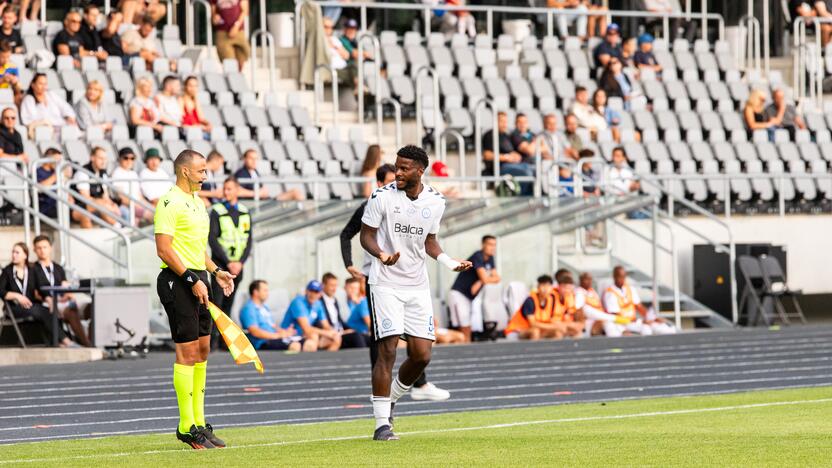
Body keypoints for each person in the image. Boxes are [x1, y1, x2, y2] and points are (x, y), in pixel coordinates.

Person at [360, 144, 472, 441]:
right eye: (396, 166)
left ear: (420, 171)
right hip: (384, 283)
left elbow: (430, 241)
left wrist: (449, 262)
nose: (397, 172)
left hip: (416, 286)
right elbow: (366, 236)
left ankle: (392, 398)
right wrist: (381, 255)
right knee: (387, 351)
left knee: (422, 355)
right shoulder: (381, 196)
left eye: (404, 168)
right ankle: (381, 424)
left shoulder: (436, 201)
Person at [339, 162, 452, 402]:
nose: (397, 182)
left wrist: (446, 259)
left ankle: (418, 383)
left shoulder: (416, 203)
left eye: (400, 177)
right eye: (392, 179)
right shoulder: (374, 202)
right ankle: (381, 390)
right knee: (384, 339)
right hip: (379, 278)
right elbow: (349, 233)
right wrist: (350, 264)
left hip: (410, 280)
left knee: (418, 342)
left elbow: (428, 239)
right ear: (380, 183)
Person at [154, 149, 236, 449]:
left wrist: (216, 271)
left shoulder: (198, 203)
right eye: (201, 171)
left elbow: (196, 247)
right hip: (178, 281)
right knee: (187, 353)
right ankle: (186, 425)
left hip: (199, 279)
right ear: (185, 171)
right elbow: (164, 250)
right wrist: (191, 280)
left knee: (203, 349)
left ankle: (200, 422)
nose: (206, 175)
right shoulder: (168, 202)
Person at [0, 242, 76, 347]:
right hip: (14, 308)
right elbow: (1, 291)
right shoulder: (7, 271)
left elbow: (41, 287)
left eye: (17, 252)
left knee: (50, 310)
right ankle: (66, 341)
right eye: (13, 252)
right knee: (41, 311)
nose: (14, 255)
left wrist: (49, 299)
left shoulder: (32, 270)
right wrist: (17, 296)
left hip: (31, 306)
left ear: (25, 255)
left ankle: (57, 341)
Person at [31, 234, 92, 347]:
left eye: (44, 247)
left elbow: (65, 286)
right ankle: (87, 344)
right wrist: (50, 299)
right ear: (34, 250)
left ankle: (92, 339)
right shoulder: (33, 269)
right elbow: (34, 292)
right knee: (71, 312)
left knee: (92, 308)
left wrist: (68, 294)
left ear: (50, 248)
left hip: (65, 300)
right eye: (39, 248)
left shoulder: (58, 268)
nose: (42, 251)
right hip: (49, 303)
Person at [207, 177, 250, 326]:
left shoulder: (244, 211)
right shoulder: (217, 211)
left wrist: (240, 263)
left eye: (229, 189)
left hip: (238, 266)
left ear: (237, 190)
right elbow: (212, 239)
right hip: (221, 265)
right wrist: (228, 263)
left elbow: (248, 240)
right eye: (224, 188)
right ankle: (213, 342)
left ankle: (226, 343)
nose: (226, 192)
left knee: (229, 304)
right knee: (217, 303)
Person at [448, 235, 500, 342]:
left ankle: (464, 351)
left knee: (467, 328)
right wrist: (484, 279)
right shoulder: (478, 256)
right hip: (459, 294)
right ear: (483, 245)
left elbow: (498, 278)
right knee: (464, 329)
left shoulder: (490, 258)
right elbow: (486, 278)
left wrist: (482, 279)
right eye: (490, 244)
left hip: (469, 297)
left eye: (494, 245)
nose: (492, 247)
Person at [602, 265, 676, 336]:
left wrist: (652, 318)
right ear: (614, 277)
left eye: (624, 277)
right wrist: (640, 321)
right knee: (646, 329)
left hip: (634, 321)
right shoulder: (610, 293)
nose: (622, 280)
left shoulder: (630, 289)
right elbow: (615, 316)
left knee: (659, 327)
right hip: (622, 323)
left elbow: (639, 307)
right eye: (620, 277)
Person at [238, 280, 301, 351]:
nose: (268, 293)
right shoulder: (249, 309)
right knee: (295, 345)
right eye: (265, 290)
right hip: (263, 342)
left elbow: (272, 326)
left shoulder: (264, 308)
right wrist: (278, 336)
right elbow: (255, 332)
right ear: (256, 292)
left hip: (274, 339)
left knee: (307, 341)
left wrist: (285, 332)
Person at [482, 111, 534, 195]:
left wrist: (515, 156)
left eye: (505, 121)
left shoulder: (506, 135)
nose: (504, 124)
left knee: (534, 169)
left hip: (515, 165)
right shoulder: (490, 135)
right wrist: (507, 157)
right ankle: (520, 197)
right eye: (501, 121)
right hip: (500, 168)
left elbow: (511, 151)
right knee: (526, 172)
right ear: (495, 122)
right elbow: (487, 155)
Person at [280, 280, 341, 352]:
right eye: (311, 291)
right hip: (290, 336)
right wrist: (327, 333)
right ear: (306, 291)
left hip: (304, 336)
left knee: (336, 338)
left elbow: (326, 325)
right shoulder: (298, 302)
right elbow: (306, 328)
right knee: (313, 338)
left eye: (316, 292)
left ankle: (326, 361)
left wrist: (333, 333)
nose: (313, 294)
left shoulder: (318, 304)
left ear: (320, 294)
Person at [71, 146, 122, 229]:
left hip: (99, 206)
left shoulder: (103, 173)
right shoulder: (83, 172)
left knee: (122, 210)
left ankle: (121, 231)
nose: (103, 161)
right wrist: (104, 204)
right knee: (101, 208)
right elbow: (85, 199)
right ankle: (118, 228)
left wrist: (112, 204)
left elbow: (105, 196)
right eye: (101, 158)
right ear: (92, 158)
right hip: (79, 206)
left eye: (105, 159)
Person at [20, 73, 78, 140]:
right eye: (40, 84)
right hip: (44, 130)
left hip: (61, 126)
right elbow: (28, 121)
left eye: (45, 84)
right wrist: (44, 122)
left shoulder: (51, 95)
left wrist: (69, 116)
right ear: (33, 85)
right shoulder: (29, 99)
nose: (43, 87)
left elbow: (65, 107)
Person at [504, 275, 563, 340]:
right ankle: (534, 350)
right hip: (517, 331)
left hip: (536, 329)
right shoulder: (530, 300)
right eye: (543, 285)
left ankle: (551, 350)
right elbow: (533, 324)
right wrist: (553, 327)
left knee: (558, 333)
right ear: (538, 287)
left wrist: (558, 326)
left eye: (548, 286)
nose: (545, 289)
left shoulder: (552, 301)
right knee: (535, 332)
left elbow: (553, 320)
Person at [319, 272, 369, 349]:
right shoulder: (319, 301)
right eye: (332, 285)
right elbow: (321, 323)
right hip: (332, 333)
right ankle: (362, 360)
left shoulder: (334, 300)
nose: (334, 289)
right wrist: (341, 332)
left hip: (341, 331)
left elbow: (340, 321)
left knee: (368, 338)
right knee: (356, 337)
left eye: (336, 285)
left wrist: (351, 330)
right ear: (323, 285)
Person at [233, 149, 304, 201]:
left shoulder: (255, 171)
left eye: (256, 158)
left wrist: (263, 191)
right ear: (245, 159)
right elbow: (237, 191)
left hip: (267, 200)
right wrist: (257, 193)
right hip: (260, 203)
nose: (254, 161)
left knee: (296, 192)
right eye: (251, 158)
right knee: (295, 193)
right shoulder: (241, 173)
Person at [576, 271, 627, 336]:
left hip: (600, 319)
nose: (589, 281)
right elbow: (582, 311)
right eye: (586, 279)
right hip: (588, 323)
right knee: (606, 322)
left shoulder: (592, 292)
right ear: (581, 280)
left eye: (590, 279)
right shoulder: (578, 292)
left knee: (612, 324)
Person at [110, 147, 152, 224]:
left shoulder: (134, 174)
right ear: (120, 159)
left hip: (137, 204)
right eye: (126, 158)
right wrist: (137, 206)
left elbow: (139, 196)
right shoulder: (117, 173)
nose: (129, 161)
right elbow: (121, 198)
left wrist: (150, 206)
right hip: (127, 206)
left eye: (132, 158)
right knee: (154, 216)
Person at [211, 0, 250, 70]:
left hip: (238, 31)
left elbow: (245, 11)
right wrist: (215, 17)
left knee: (242, 57)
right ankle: (232, 77)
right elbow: (213, 12)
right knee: (228, 62)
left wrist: (236, 26)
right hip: (222, 32)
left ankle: (237, 77)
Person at [35, 148, 69, 219]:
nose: (59, 163)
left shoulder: (54, 172)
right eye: (57, 160)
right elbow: (39, 188)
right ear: (48, 159)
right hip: (46, 207)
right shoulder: (38, 171)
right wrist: (56, 175)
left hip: (58, 204)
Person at [553, 269, 584, 338]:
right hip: (551, 325)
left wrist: (578, 324)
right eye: (565, 287)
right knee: (558, 333)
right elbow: (551, 319)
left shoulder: (570, 296)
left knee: (578, 331)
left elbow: (572, 313)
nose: (567, 290)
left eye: (569, 288)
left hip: (563, 323)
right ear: (559, 285)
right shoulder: (552, 296)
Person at [323, 17, 353, 85]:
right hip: (332, 70)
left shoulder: (334, 39)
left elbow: (346, 56)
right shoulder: (320, 41)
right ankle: (358, 88)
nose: (329, 29)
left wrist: (334, 46)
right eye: (326, 27)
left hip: (344, 67)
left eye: (331, 27)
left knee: (355, 66)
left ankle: (359, 88)